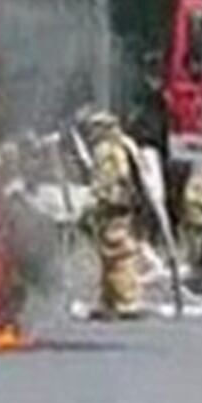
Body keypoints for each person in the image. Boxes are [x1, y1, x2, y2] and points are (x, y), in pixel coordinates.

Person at [77, 107, 145, 319]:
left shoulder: (108, 149)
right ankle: (109, 299)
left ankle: (126, 300)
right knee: (109, 254)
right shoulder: (124, 144)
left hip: (113, 204)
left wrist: (95, 203)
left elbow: (110, 180)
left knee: (117, 252)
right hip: (120, 203)